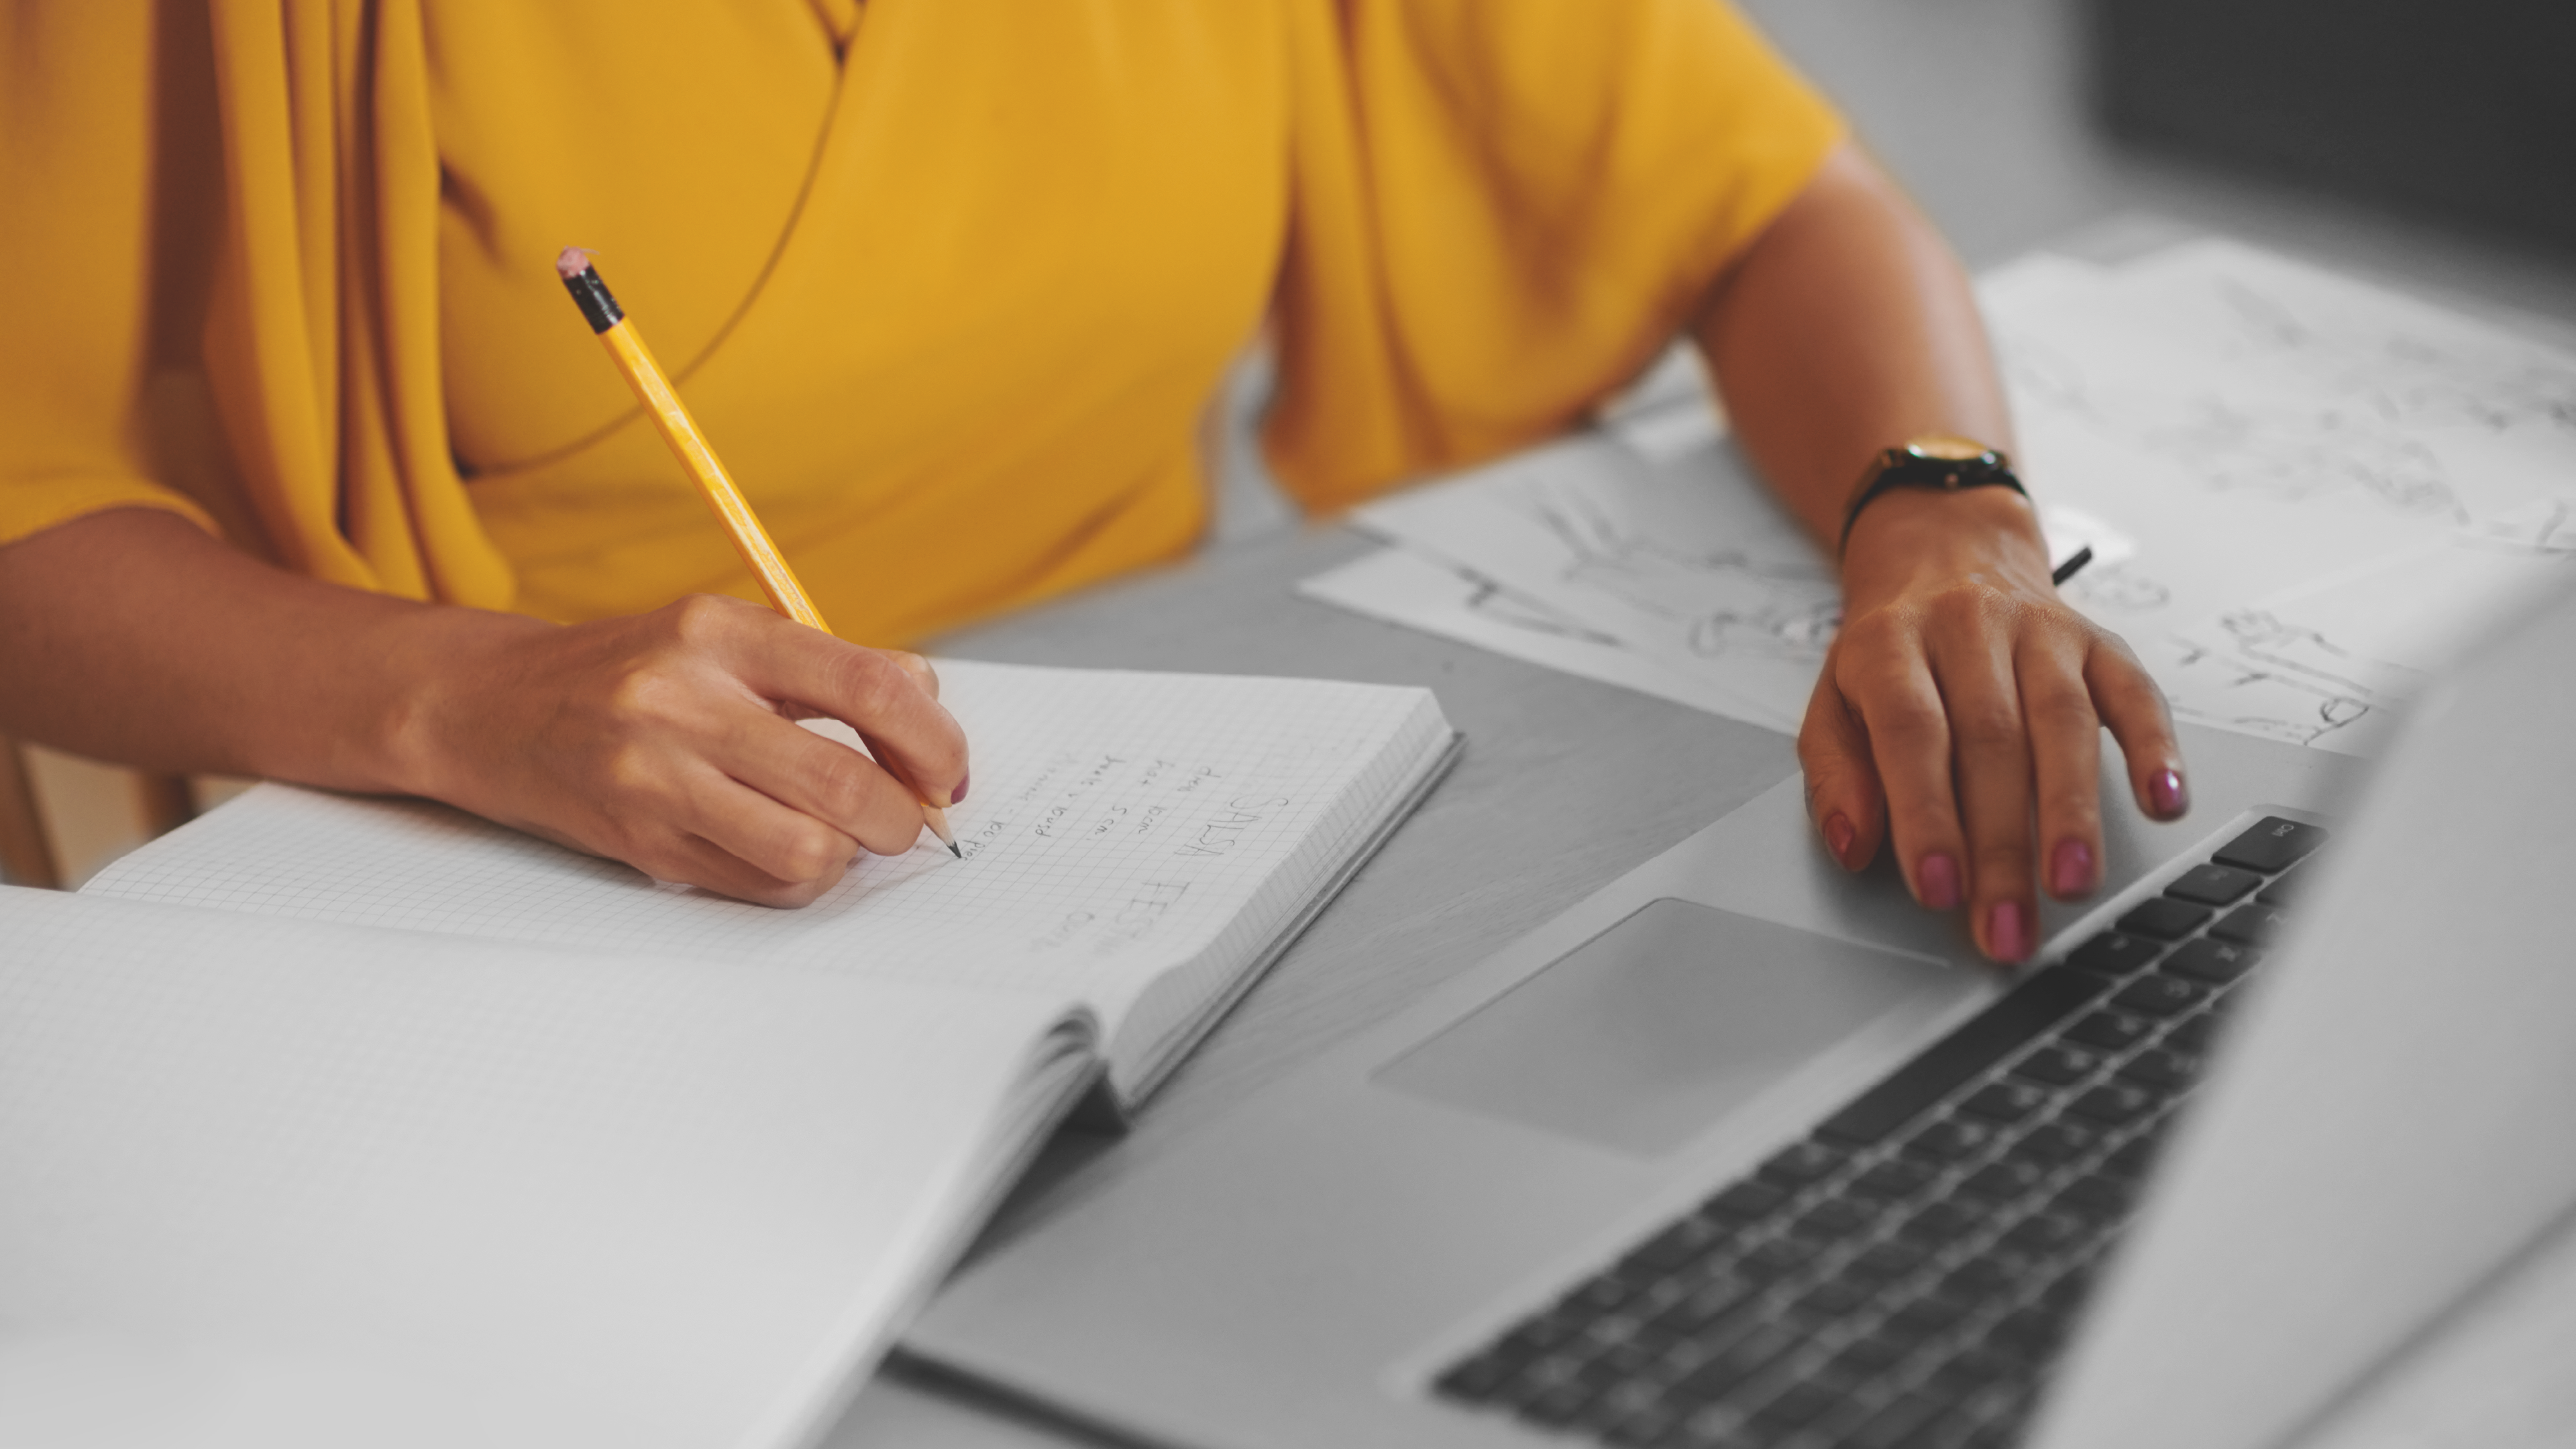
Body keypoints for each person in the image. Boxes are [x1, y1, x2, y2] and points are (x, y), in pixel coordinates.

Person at [0, 0, 2184, 959]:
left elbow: (1767, 196)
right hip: (515, 894)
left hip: (1136, 864)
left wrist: (1946, 524)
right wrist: (470, 700)